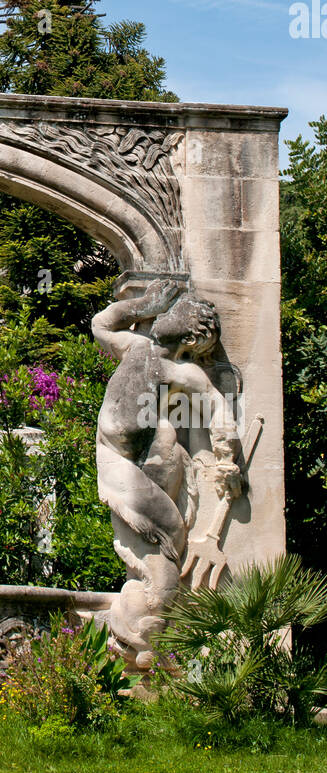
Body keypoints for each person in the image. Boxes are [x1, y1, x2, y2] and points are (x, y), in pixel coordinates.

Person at [91, 278, 243, 664]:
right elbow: (101, 324)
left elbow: (216, 407)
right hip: (116, 461)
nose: (170, 313)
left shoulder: (182, 373)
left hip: (148, 469)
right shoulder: (137, 345)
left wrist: (227, 456)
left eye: (180, 314)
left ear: (191, 341)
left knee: (168, 548)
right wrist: (144, 304)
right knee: (164, 552)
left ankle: (145, 645)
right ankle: (142, 644)